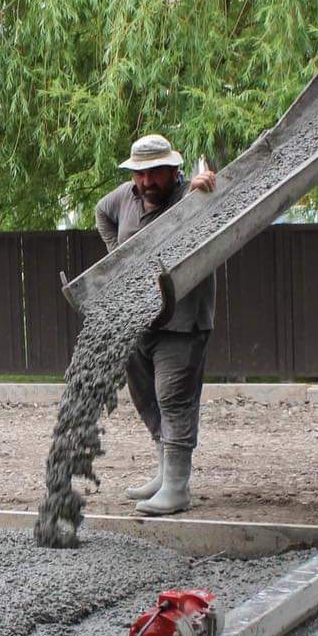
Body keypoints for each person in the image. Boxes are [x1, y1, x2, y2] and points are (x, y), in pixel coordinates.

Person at [94, 134, 217, 516]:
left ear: (174, 169)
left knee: (173, 397)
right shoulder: (124, 197)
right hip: (139, 318)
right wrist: (119, 257)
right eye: (140, 174)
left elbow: (222, 208)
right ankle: (164, 473)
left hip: (182, 319)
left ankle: (177, 487)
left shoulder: (191, 195)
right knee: (147, 397)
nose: (146, 183)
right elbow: (101, 211)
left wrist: (207, 192)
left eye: (155, 174)